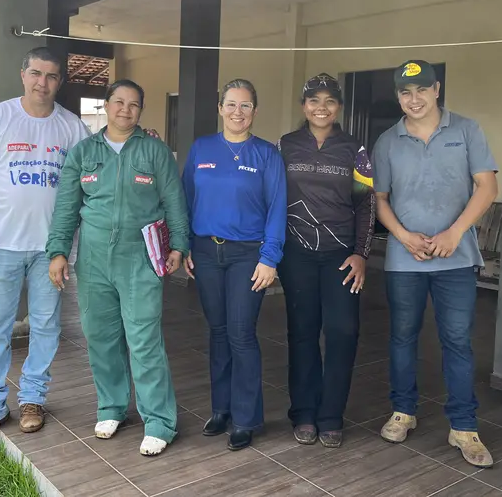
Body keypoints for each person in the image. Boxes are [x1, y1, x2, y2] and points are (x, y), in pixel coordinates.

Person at [46, 79, 189, 457]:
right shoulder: (83, 153)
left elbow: (174, 201)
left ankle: (159, 421)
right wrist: (58, 252)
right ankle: (111, 407)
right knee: (101, 336)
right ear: (106, 105)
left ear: (141, 111)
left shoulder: (156, 152)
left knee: (144, 340)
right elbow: (66, 209)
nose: (126, 110)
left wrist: (179, 245)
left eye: (134, 104)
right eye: (119, 102)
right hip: (93, 262)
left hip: (140, 259)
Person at [0, 47, 91, 456]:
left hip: (50, 250)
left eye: (52, 76)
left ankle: (33, 396)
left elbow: (91, 179)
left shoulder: (72, 128)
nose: (43, 82)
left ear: (60, 82)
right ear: (23, 75)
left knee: (46, 326)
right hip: (1, 244)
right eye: (36, 73)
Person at [372, 60, 498, 469]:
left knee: (457, 340)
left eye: (422, 90)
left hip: (455, 258)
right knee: (402, 336)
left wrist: (455, 232)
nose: (414, 99)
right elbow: (380, 199)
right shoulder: (387, 141)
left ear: (437, 89)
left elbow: (487, 186)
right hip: (404, 258)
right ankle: (403, 411)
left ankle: (463, 426)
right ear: (398, 96)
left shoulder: (466, 130)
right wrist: (404, 236)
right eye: (406, 93)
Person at [181, 79, 287, 451]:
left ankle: (246, 417)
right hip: (207, 253)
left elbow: (277, 209)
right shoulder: (201, 149)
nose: (237, 112)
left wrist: (269, 257)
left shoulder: (266, 155)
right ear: (220, 108)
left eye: (245, 106)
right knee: (218, 331)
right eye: (231, 105)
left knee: (241, 333)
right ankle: (221, 408)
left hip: (248, 255)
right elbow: (186, 200)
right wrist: (187, 245)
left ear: (254, 112)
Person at [277, 73, 376, 448]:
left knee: (343, 333)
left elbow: (366, 204)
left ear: (339, 107)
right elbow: (272, 199)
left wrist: (361, 254)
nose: (322, 108)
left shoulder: (354, 149)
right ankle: (303, 412)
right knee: (302, 334)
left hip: (340, 258)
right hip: (296, 255)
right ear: (304, 106)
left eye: (329, 101)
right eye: (314, 101)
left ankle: (331, 414)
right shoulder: (285, 145)